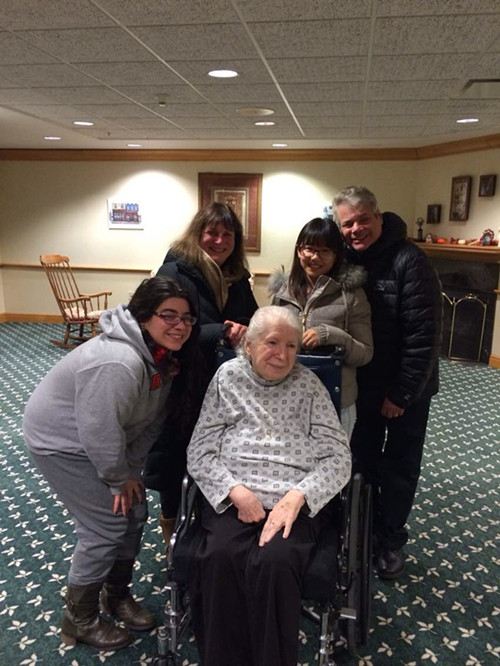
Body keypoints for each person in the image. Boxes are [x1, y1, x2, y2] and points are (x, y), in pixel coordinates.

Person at [23, 276, 199, 651]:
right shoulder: (119, 361)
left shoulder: (163, 356)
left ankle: (115, 595)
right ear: (143, 316)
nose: (180, 325)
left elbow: (151, 423)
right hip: (62, 442)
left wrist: (130, 472)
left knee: (134, 512)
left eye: (187, 318)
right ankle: (79, 619)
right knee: (105, 525)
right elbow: (98, 430)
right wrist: (117, 478)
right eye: (168, 315)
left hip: (103, 441)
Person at [186, 306, 351, 666]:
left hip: (294, 502)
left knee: (275, 563)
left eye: (291, 346)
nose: (283, 354)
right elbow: (200, 449)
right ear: (248, 344)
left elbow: (339, 457)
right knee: (219, 557)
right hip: (234, 496)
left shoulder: (310, 385)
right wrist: (235, 491)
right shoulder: (227, 378)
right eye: (272, 343)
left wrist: (297, 497)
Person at [333, 186, 442, 580]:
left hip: (405, 390)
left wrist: (401, 393)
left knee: (398, 468)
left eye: (363, 219)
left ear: (379, 217)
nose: (356, 229)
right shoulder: (343, 259)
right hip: (362, 385)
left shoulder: (410, 260)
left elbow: (424, 337)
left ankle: (390, 540)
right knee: (358, 460)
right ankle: (360, 531)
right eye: (348, 223)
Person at [151, 202, 259, 542]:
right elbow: (166, 326)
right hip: (183, 379)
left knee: (217, 453)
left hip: (226, 382)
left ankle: (209, 525)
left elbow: (251, 316)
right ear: (198, 234)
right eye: (212, 232)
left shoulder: (237, 277)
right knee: (177, 457)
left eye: (228, 234)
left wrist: (249, 327)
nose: (219, 240)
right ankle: (172, 534)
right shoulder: (174, 271)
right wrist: (221, 331)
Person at [269, 216, 373, 438]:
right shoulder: (282, 293)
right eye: (310, 249)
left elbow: (365, 353)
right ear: (299, 251)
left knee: (333, 459)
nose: (315, 257)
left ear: (336, 255)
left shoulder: (351, 295)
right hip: (287, 398)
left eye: (325, 251)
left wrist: (330, 334)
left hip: (336, 401)